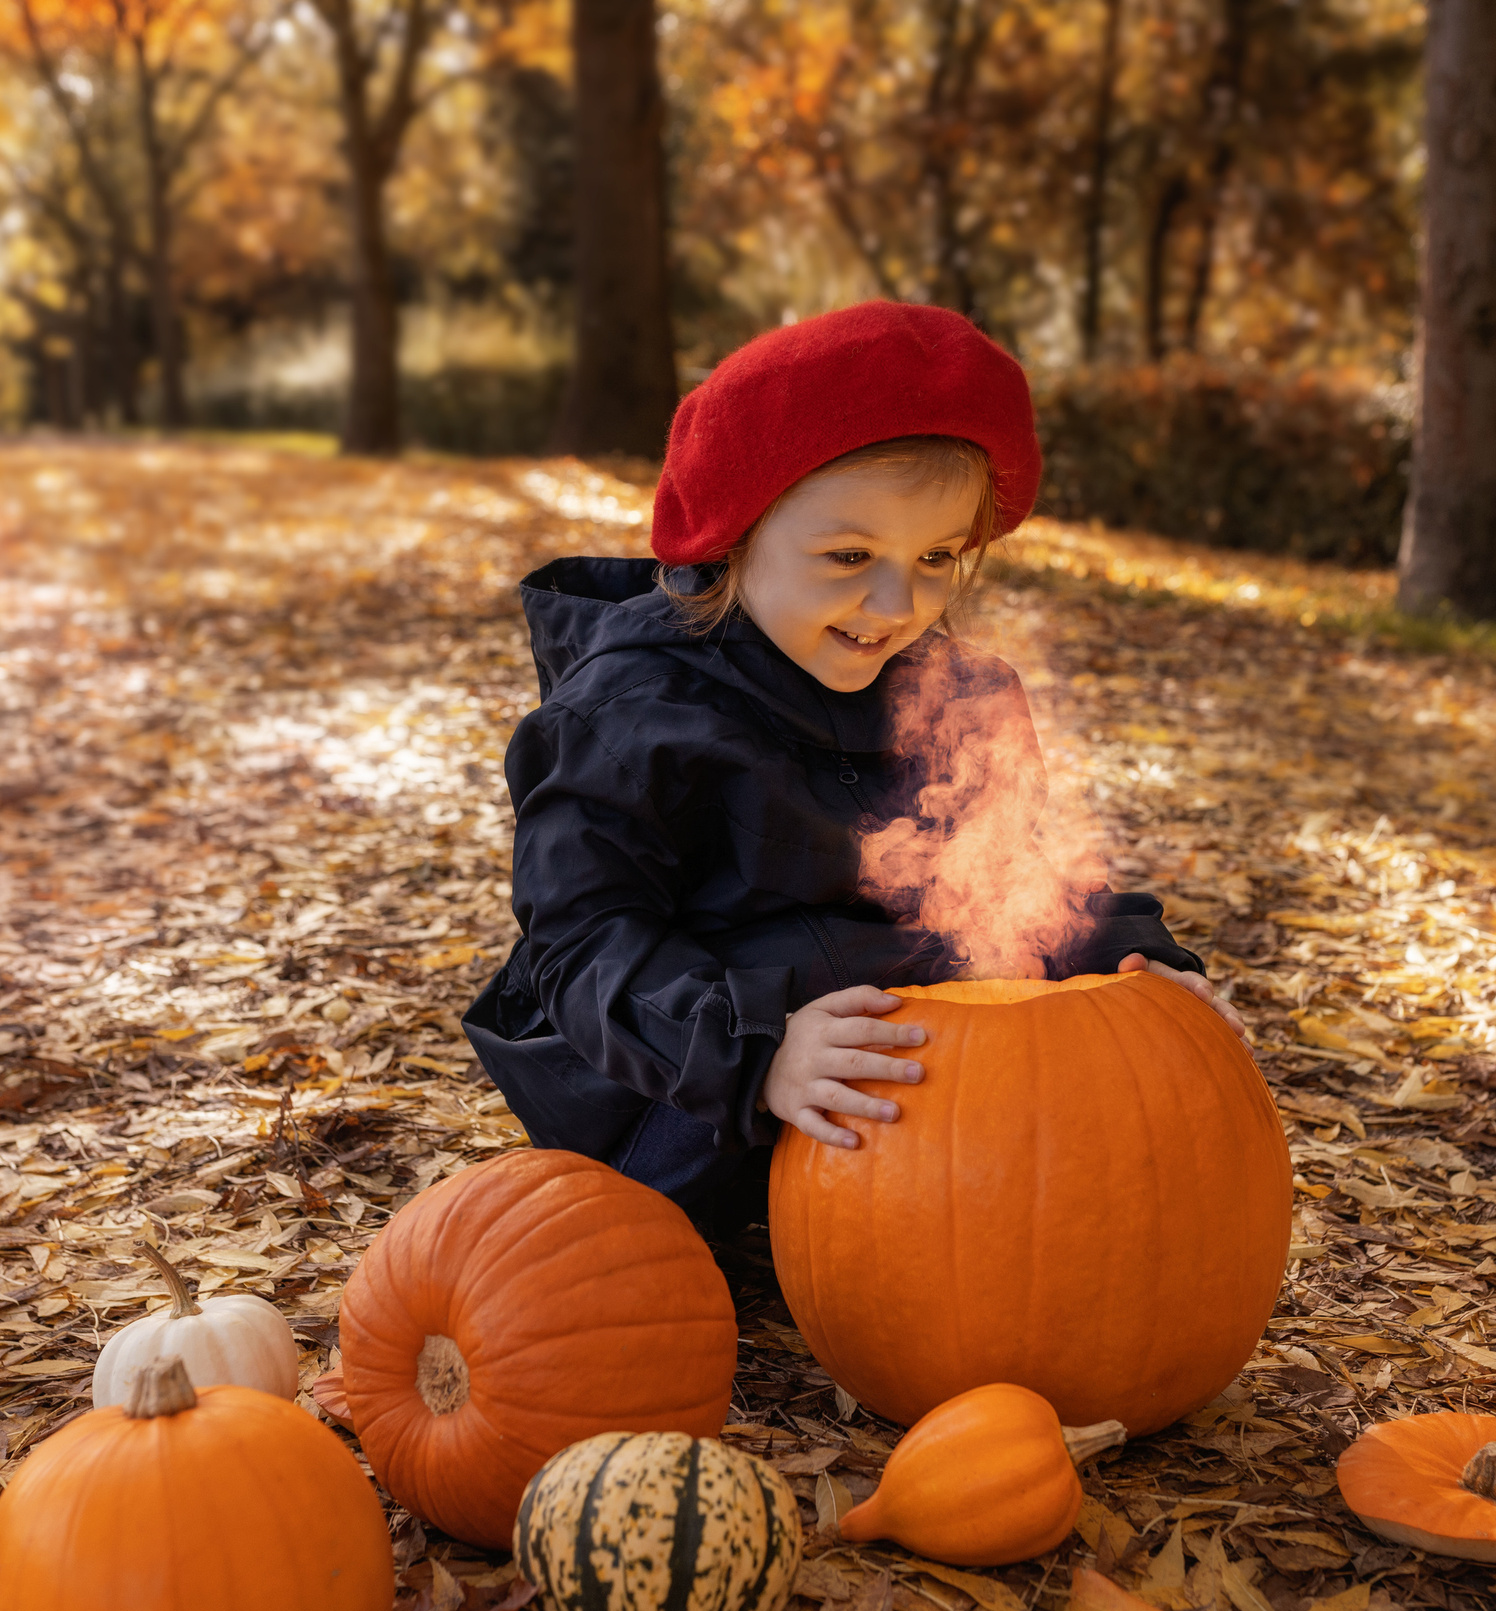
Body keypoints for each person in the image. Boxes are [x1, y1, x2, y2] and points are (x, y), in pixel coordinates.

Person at [463, 301, 1244, 1234]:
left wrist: (1129, 958)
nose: (894, 599)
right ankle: (691, 1238)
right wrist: (763, 1051)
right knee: (641, 1257)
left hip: (882, 1067)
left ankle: (927, 1229)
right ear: (736, 530)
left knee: (986, 997)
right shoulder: (629, 715)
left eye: (937, 556)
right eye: (848, 555)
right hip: (677, 1074)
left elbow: (1016, 884)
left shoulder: (960, 699)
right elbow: (586, 944)